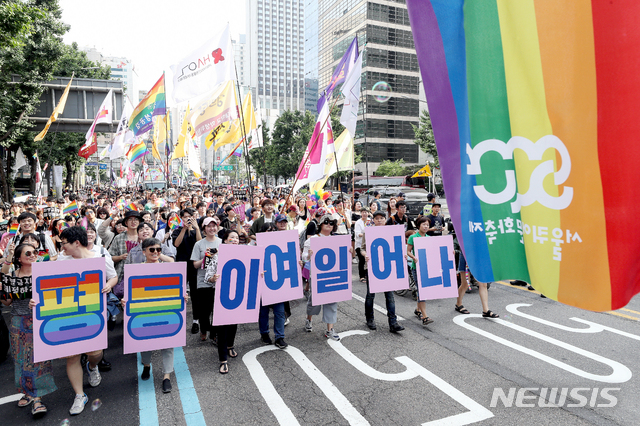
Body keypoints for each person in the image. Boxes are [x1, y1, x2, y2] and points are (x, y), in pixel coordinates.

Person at [58, 226, 118, 415]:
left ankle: (92, 366)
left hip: (93, 312)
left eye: (64, 243)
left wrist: (108, 285)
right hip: (69, 311)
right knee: (72, 355)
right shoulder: (62, 260)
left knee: (95, 352)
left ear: (76, 242)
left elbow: (113, 277)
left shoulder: (100, 258)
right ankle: (79, 395)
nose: (62, 247)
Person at [124, 237, 186, 394]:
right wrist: (125, 300)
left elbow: (177, 287)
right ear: (144, 252)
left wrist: (183, 296)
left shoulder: (169, 268)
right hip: (145, 312)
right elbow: (130, 291)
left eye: (159, 249)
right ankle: (146, 365)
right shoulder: (136, 269)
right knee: (146, 342)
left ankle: (166, 376)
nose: (156, 252)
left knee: (168, 342)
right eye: (152, 250)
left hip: (166, 310)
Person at [1, 243, 57, 418]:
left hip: (40, 321)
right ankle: (28, 391)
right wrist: (2, 292)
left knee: (38, 361)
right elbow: (7, 303)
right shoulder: (11, 277)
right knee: (20, 360)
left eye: (35, 252)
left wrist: (41, 301)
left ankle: (38, 398)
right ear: (19, 258)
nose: (33, 255)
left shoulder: (44, 274)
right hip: (18, 323)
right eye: (28, 253)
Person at [302, 214, 351, 341]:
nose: (329, 225)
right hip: (317, 276)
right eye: (326, 222)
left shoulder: (337, 239)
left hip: (333, 275)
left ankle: (330, 329)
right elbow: (303, 257)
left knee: (332, 301)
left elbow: (345, 256)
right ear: (321, 224)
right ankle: (309, 319)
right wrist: (309, 255)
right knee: (314, 301)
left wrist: (349, 251)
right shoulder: (312, 239)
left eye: (332, 223)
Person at [360, 211, 405, 333]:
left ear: (385, 220)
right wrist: (365, 255)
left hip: (388, 267)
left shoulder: (391, 231)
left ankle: (393, 322)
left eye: (382, 218)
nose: (379, 220)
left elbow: (398, 247)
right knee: (371, 295)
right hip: (372, 267)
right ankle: (370, 319)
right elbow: (362, 249)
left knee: (390, 296)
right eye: (377, 218)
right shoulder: (368, 232)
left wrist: (402, 256)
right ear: (373, 220)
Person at [205, 229, 240, 374]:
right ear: (225, 240)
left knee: (233, 324)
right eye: (232, 237)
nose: (235, 240)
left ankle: (230, 346)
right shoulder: (217, 257)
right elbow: (207, 276)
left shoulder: (244, 255)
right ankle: (223, 360)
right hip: (220, 295)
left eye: (237, 238)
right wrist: (214, 278)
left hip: (238, 295)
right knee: (222, 328)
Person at [257, 216, 289, 348]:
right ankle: (264, 333)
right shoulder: (254, 246)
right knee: (263, 312)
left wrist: (297, 263)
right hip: (263, 284)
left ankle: (279, 337)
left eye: (273, 230)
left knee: (280, 312)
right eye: (268, 230)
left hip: (278, 284)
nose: (271, 233)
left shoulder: (282, 245)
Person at [190, 217, 222, 342]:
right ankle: (204, 329)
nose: (212, 228)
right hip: (203, 280)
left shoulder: (221, 242)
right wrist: (206, 257)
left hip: (218, 280)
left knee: (216, 309)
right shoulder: (199, 244)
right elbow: (195, 265)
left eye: (214, 226)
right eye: (208, 226)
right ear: (204, 229)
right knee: (204, 310)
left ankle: (214, 333)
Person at [172, 208, 202, 334]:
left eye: (190, 216)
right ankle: (177, 321)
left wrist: (197, 229)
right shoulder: (177, 230)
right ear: (181, 218)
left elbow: (201, 244)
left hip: (194, 265)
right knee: (179, 294)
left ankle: (196, 321)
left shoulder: (196, 230)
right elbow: (176, 244)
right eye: (185, 217)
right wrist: (184, 229)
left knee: (195, 295)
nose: (188, 219)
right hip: (181, 264)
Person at [406, 216, 435, 326]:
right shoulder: (413, 237)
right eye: (424, 224)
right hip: (416, 267)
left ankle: (418, 310)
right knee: (422, 292)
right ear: (419, 225)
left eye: (427, 225)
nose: (426, 226)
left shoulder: (428, 237)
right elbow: (408, 251)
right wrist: (414, 257)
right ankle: (425, 316)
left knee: (423, 291)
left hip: (426, 267)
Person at [353, 207, 371, 283]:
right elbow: (357, 234)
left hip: (368, 243)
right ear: (361, 213)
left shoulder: (370, 221)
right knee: (362, 260)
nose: (364, 213)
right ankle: (362, 276)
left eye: (366, 212)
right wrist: (365, 234)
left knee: (368, 259)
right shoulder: (358, 222)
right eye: (363, 212)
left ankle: (367, 274)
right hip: (360, 244)